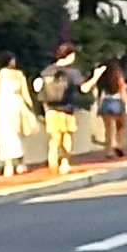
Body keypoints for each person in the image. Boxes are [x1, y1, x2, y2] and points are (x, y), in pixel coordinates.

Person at [38, 44, 88, 176]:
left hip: (50, 109)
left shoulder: (47, 70)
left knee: (54, 139)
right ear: (70, 55)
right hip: (66, 109)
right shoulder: (72, 72)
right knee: (67, 137)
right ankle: (65, 163)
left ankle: (52, 164)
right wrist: (95, 77)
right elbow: (84, 89)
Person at [0, 54, 36, 177]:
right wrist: (32, 108)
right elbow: (25, 93)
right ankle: (20, 163)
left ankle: (7, 165)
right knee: (18, 134)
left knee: (4, 135)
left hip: (2, 106)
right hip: (16, 104)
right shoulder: (19, 75)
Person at [93, 59, 127, 157]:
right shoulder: (117, 75)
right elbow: (122, 89)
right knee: (120, 126)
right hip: (117, 101)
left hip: (105, 101)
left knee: (108, 129)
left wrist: (98, 105)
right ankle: (118, 144)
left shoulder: (101, 78)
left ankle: (109, 150)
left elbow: (98, 94)